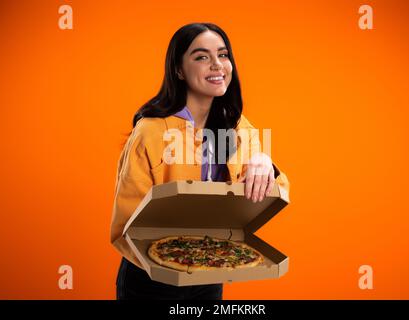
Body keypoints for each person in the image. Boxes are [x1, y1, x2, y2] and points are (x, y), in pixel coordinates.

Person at [110, 22, 290, 300]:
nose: (217, 65)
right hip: (150, 277)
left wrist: (265, 161)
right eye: (202, 56)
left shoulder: (238, 127)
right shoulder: (150, 131)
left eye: (223, 54)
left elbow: (278, 189)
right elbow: (127, 226)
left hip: (212, 268)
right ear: (179, 70)